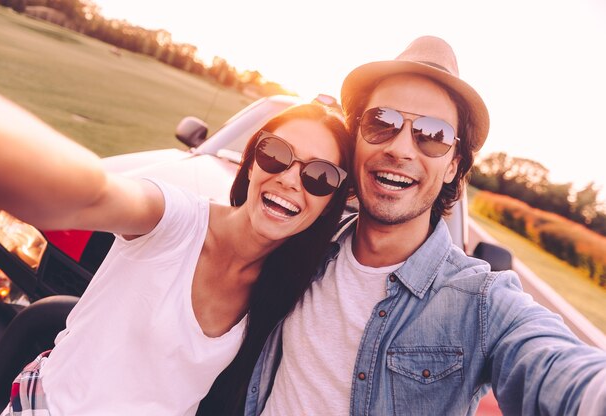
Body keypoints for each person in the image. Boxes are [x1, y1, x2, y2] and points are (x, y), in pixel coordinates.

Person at [240, 36, 606, 415]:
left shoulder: (480, 302)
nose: (400, 149)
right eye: (382, 122)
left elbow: (555, 368)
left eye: (433, 136)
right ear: (354, 141)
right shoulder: (304, 240)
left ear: (452, 165)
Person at [0, 85, 354, 415]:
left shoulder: (294, 287)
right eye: (276, 154)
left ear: (334, 200)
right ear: (251, 159)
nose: (289, 179)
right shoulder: (176, 219)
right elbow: (90, 195)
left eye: (319, 176)